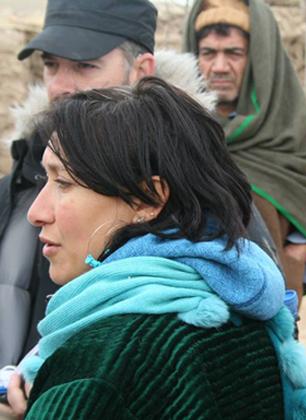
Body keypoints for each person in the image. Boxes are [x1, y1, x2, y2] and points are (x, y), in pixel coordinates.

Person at [13, 77, 306, 419]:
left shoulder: (101, 362)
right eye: (45, 180)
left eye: (63, 182)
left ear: (148, 199)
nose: (36, 213)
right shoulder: (250, 317)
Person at [0, 0, 276, 380]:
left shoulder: (202, 203)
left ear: (142, 70)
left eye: (84, 66)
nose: (61, 86)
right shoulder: (16, 188)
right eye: (51, 65)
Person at [182, 0, 306, 305]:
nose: (219, 67)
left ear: (257, 58)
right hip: (193, 304)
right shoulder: (177, 130)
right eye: (208, 53)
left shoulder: (288, 128)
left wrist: (298, 252)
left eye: (234, 53)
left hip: (271, 302)